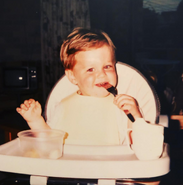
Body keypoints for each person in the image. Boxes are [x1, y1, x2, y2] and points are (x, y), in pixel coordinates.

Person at [16, 27, 164, 160]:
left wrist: (136, 117)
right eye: (90, 69)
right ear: (72, 77)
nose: (102, 75)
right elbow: (49, 145)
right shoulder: (62, 105)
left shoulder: (121, 107)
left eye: (107, 66)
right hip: (66, 174)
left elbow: (141, 149)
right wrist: (35, 120)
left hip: (108, 176)